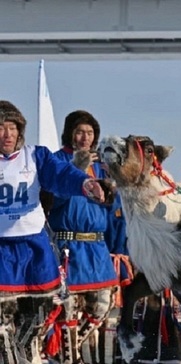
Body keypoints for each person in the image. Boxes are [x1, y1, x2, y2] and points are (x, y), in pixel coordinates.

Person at [0, 101, 110, 364]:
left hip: (34, 249)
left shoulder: (35, 156)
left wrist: (85, 183)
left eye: (12, 128)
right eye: (1, 128)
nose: (7, 134)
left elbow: (61, 175)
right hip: (2, 250)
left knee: (39, 315)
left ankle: (26, 350)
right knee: (2, 324)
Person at [44, 110, 119, 363]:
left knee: (102, 305)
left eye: (89, 132)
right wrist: (74, 171)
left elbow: (112, 209)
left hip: (97, 246)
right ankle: (70, 359)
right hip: (67, 243)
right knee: (70, 311)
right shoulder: (56, 161)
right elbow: (50, 200)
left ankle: (67, 351)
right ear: (70, 134)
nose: (85, 137)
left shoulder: (101, 166)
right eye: (79, 132)